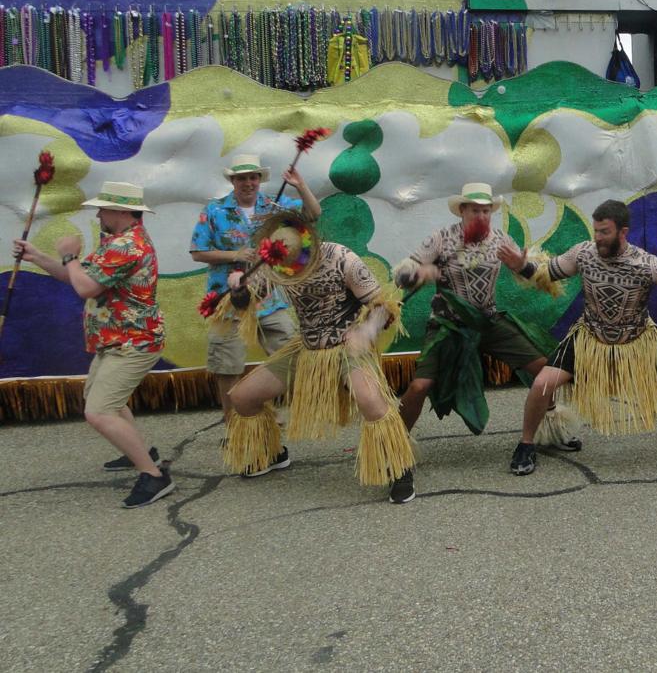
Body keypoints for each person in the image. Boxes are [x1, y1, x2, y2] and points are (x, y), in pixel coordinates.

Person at [503, 199, 657, 475]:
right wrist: (520, 265)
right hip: (590, 335)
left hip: (639, 338)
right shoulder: (583, 253)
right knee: (542, 384)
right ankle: (526, 444)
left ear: (623, 232)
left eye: (604, 232)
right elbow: (546, 273)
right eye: (596, 231)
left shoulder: (646, 264)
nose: (597, 238)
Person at [220, 212, 416, 504]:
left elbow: (382, 307)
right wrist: (237, 290)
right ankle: (273, 455)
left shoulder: (342, 258)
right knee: (242, 398)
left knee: (371, 403)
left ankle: (399, 468)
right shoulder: (275, 265)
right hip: (306, 349)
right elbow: (245, 301)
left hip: (348, 349)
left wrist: (366, 331)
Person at [392, 183, 580, 473]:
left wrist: (521, 265)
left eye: (486, 211)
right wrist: (419, 273)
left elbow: (534, 275)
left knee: (544, 369)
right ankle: (393, 445)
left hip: (488, 321)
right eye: (475, 210)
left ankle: (550, 429)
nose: (481, 216)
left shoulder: (500, 240)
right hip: (448, 325)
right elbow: (402, 278)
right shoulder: (440, 239)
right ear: (463, 211)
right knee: (419, 385)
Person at [13, 181, 173, 508]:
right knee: (102, 402)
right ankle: (140, 452)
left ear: (120, 211)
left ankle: (154, 477)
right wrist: (39, 257)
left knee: (99, 411)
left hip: (133, 340)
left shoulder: (127, 246)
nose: (98, 213)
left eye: (102, 208)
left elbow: (84, 287)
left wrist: (69, 253)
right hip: (117, 339)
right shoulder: (114, 241)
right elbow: (78, 276)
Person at [189, 154, 321, 442]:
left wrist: (300, 186)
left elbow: (313, 214)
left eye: (253, 177)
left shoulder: (275, 206)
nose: (248, 183)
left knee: (291, 354)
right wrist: (233, 254)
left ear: (259, 180)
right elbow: (198, 251)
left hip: (268, 298)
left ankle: (269, 412)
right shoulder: (214, 211)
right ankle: (235, 428)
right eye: (241, 178)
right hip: (227, 300)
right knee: (227, 366)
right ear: (233, 181)